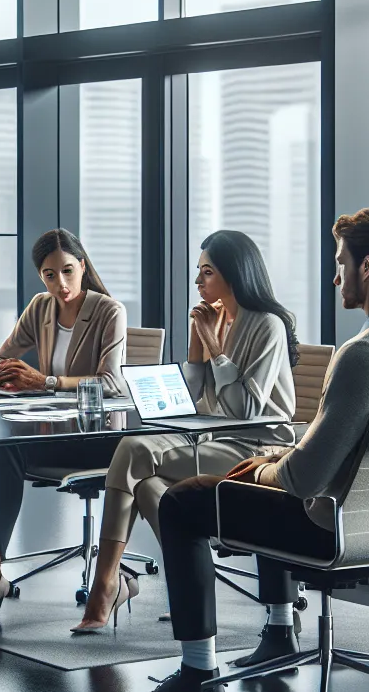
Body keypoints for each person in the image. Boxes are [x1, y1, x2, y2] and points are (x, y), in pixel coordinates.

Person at [110, 208, 369, 692]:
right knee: (265, 472)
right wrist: (277, 458)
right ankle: (279, 632)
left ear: (366, 267)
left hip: (330, 525)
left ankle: (197, 679)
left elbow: (303, 480)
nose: (336, 276)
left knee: (182, 502)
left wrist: (258, 469)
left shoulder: (365, 354)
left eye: (340, 263)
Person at [69, 230, 300, 633]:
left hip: (257, 449)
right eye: (199, 272)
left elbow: (244, 410)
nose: (198, 282)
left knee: (132, 452)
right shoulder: (220, 321)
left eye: (207, 273)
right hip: (215, 438)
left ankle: (107, 586)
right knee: (146, 482)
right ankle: (188, 582)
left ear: (234, 274)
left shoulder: (267, 326)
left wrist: (214, 345)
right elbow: (192, 400)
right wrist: (198, 346)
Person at [0, 229, 127, 620]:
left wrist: (45, 382)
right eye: (49, 275)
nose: (61, 284)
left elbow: (111, 383)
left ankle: (113, 576)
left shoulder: (110, 311)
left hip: (100, 438)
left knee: (11, 445)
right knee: (6, 446)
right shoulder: (41, 308)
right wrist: (1, 373)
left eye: (68, 271)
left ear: (82, 266)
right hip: (55, 431)